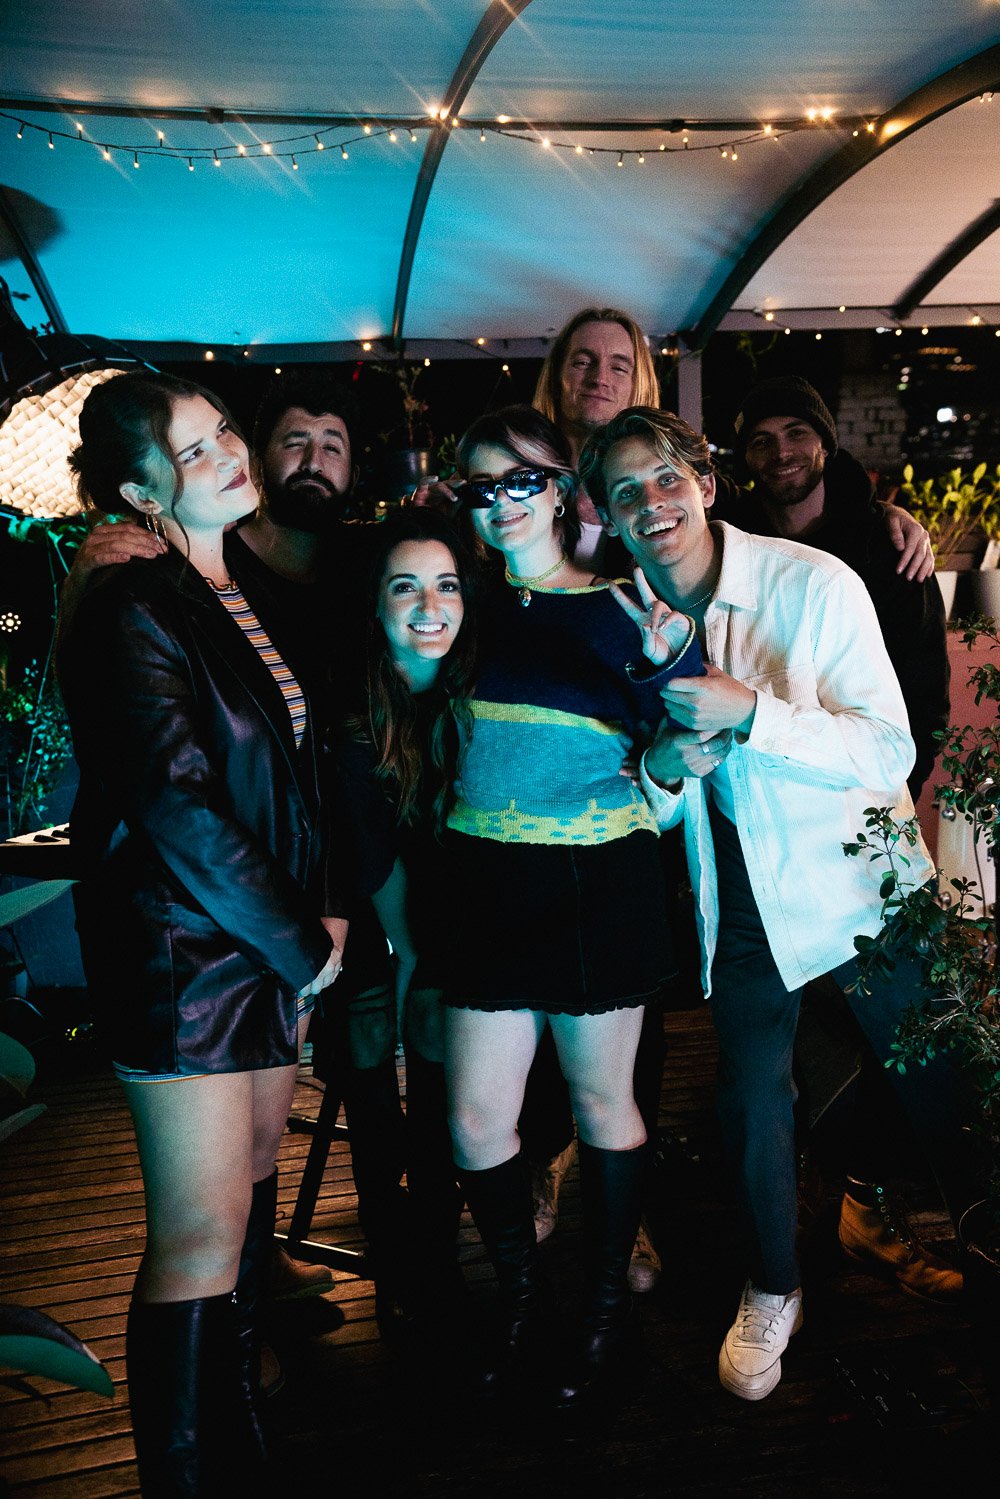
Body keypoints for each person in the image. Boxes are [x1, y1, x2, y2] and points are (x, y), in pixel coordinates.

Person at [579, 405, 982, 1402]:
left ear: (705, 484)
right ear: (608, 519)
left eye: (666, 479)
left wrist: (755, 714)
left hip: (866, 885)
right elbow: (641, 799)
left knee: (950, 1091)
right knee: (751, 1103)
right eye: (627, 492)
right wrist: (666, 770)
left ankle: (987, 1246)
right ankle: (774, 1283)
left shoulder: (812, 583)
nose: (652, 503)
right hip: (746, 907)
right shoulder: (624, 622)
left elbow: (886, 747)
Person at [57, 371, 344, 1493]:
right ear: (138, 488)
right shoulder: (130, 603)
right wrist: (300, 940)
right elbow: (174, 805)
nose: (227, 451)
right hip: (185, 952)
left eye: (223, 429)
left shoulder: (247, 581)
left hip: (268, 938)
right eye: (192, 447)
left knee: (249, 1191)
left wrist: (309, 922)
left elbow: (290, 773)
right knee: (198, 1229)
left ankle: (239, 1448)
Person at [440, 403, 703, 1408]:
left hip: (598, 881)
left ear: (559, 488)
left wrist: (674, 670)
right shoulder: (456, 600)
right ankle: (519, 1300)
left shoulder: (624, 607)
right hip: (482, 880)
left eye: (522, 479)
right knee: (474, 1121)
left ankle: (600, 1309)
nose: (502, 500)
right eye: (481, 483)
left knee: (603, 1104)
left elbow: (675, 773)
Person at [333, 508, 478, 1334]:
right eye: (407, 586)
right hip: (364, 919)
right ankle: (394, 1260)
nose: (430, 605)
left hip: (450, 924)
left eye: (447, 584)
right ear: (378, 604)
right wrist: (410, 952)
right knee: (373, 1094)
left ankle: (436, 1258)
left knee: (435, 1094)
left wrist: (432, 956)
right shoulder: (353, 714)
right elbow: (368, 854)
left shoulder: (473, 700)